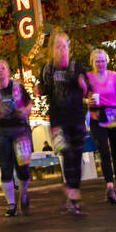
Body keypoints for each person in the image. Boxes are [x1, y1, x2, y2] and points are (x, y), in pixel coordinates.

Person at [37, 31, 90, 215]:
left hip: (76, 118)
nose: (62, 50)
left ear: (69, 47)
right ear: (52, 49)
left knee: (76, 156)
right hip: (57, 121)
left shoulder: (76, 67)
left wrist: (84, 85)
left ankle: (72, 190)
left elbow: (87, 89)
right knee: (66, 153)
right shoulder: (47, 69)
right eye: (58, 47)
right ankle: (73, 194)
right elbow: (42, 89)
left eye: (64, 46)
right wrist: (39, 90)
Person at [0, 59, 35, 216]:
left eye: (3, 68)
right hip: (1, 132)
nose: (0, 71)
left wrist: (24, 111)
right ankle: (11, 204)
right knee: (5, 168)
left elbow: (30, 104)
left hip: (20, 130)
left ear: (8, 71)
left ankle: (24, 193)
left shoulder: (18, 87)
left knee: (23, 168)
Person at [85, 48, 116, 205]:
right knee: (104, 151)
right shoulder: (87, 78)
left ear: (106, 62)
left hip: (114, 115)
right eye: (97, 61)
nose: (100, 64)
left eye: (102, 60)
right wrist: (87, 101)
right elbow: (79, 98)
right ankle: (110, 187)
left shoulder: (113, 76)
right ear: (92, 63)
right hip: (96, 116)